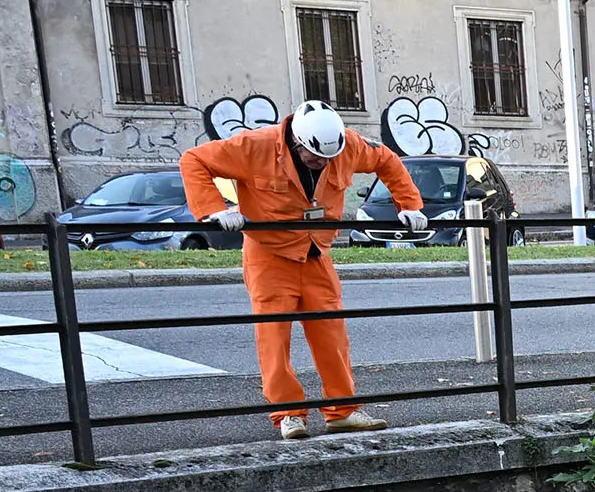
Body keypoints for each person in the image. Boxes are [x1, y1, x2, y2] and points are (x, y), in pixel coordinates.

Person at [181, 100, 425, 439]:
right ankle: (288, 415)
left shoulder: (347, 145)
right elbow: (194, 160)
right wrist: (213, 209)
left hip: (316, 253)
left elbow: (385, 159)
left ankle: (342, 410)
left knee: (332, 335)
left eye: (330, 158)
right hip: (269, 254)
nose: (324, 163)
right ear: (297, 143)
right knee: (274, 338)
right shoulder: (255, 146)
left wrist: (409, 204)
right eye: (315, 158)